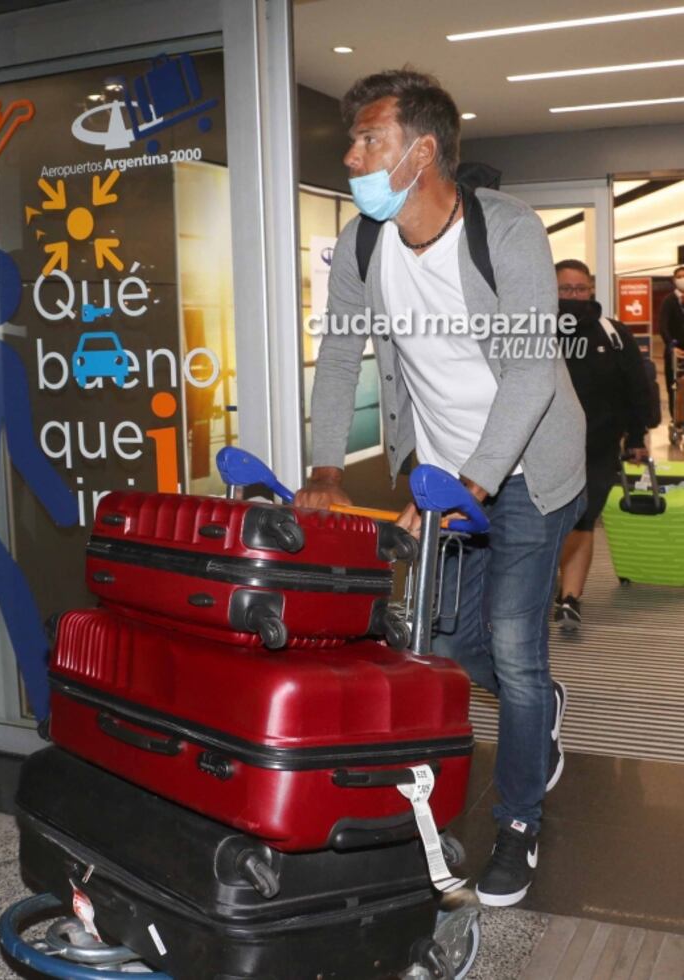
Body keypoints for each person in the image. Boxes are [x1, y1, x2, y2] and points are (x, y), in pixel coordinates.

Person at [295, 69, 586, 908]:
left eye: (367, 140)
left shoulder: (507, 231)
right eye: (352, 139)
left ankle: (519, 823)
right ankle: (543, 707)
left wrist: (471, 485)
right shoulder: (361, 242)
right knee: (454, 646)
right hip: (440, 468)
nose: (351, 155)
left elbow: (531, 372)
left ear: (421, 150)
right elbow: (340, 356)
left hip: (527, 467)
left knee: (513, 649)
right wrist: (322, 467)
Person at [553, 260, 650, 631]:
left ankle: (569, 598)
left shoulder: (613, 334)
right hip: (543, 448)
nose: (574, 297)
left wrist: (638, 436)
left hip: (598, 446)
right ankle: (544, 586)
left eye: (580, 289)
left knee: (583, 518)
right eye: (566, 290)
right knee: (545, 523)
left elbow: (635, 389)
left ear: (591, 289)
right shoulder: (535, 332)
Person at [659, 266, 684, 416]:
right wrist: (671, 346)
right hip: (675, 351)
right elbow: (663, 326)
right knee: (674, 386)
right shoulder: (668, 301)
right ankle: (677, 418)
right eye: (680, 277)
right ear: (674, 280)